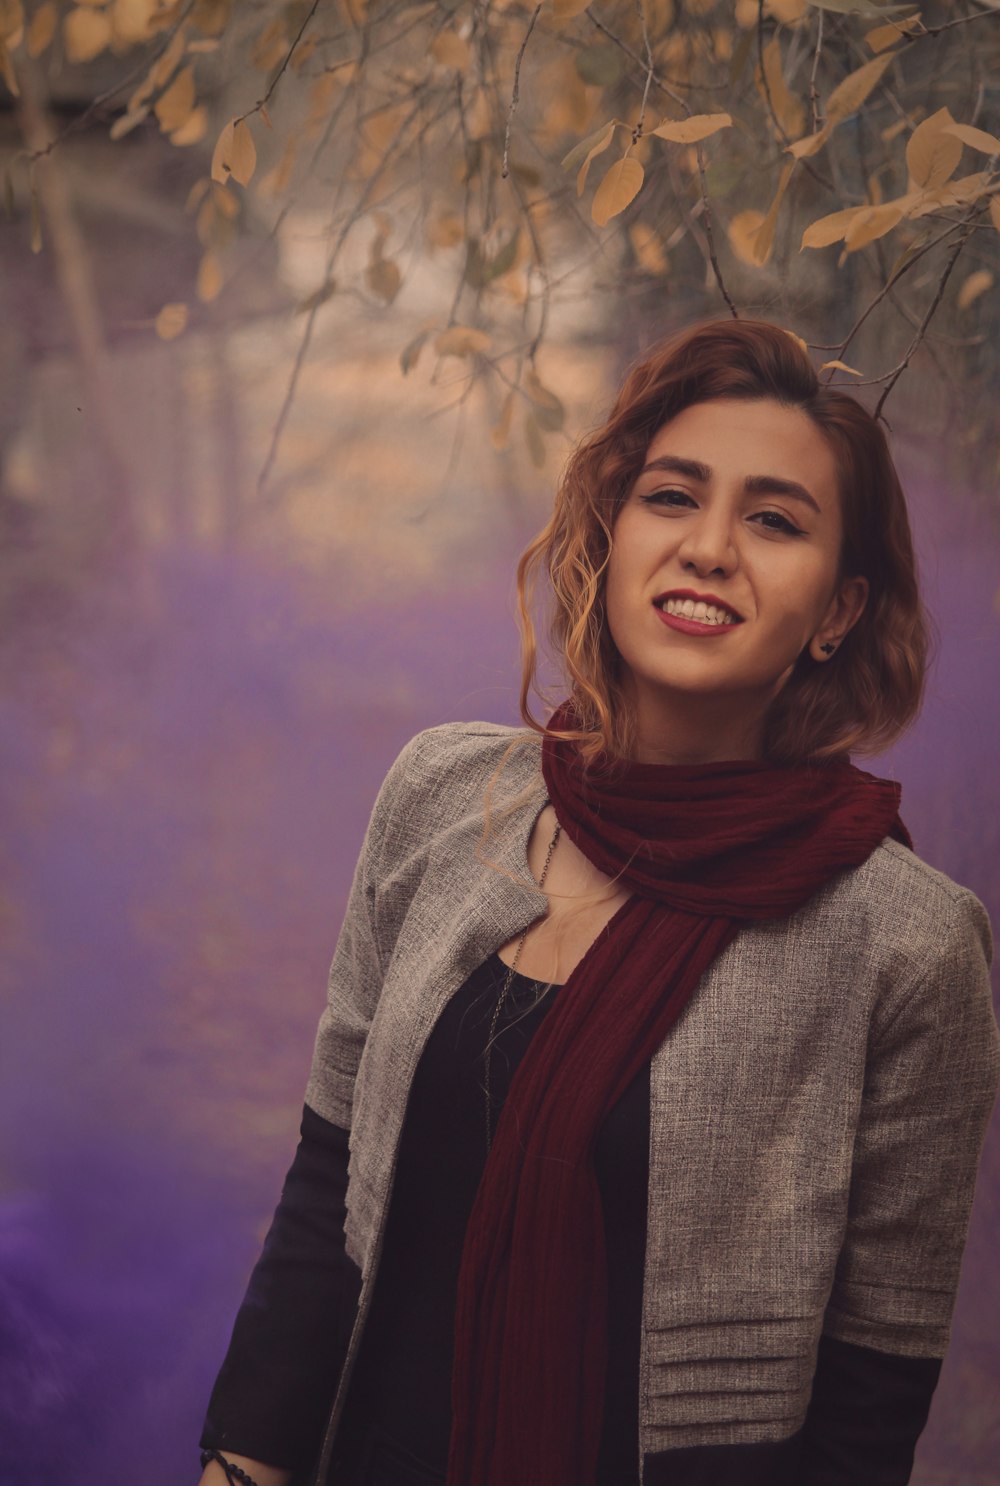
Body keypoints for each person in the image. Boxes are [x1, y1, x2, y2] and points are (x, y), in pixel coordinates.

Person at [196, 318, 1000, 1486]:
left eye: (773, 520)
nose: (710, 547)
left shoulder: (908, 946)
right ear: (613, 533)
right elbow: (331, 1188)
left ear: (836, 610)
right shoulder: (439, 797)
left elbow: (870, 1391)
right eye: (673, 496)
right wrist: (239, 1466)